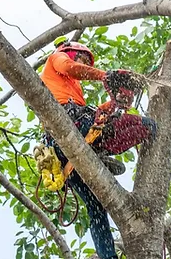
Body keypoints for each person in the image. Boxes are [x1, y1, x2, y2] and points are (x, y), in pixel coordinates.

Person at [39, 37, 157, 259]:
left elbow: (97, 115)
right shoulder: (58, 58)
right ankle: (98, 153)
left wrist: (115, 103)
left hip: (76, 143)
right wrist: (105, 75)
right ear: (71, 51)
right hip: (69, 130)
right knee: (144, 125)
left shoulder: (73, 89)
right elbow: (70, 67)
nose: (85, 64)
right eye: (83, 59)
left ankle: (107, 257)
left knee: (96, 207)